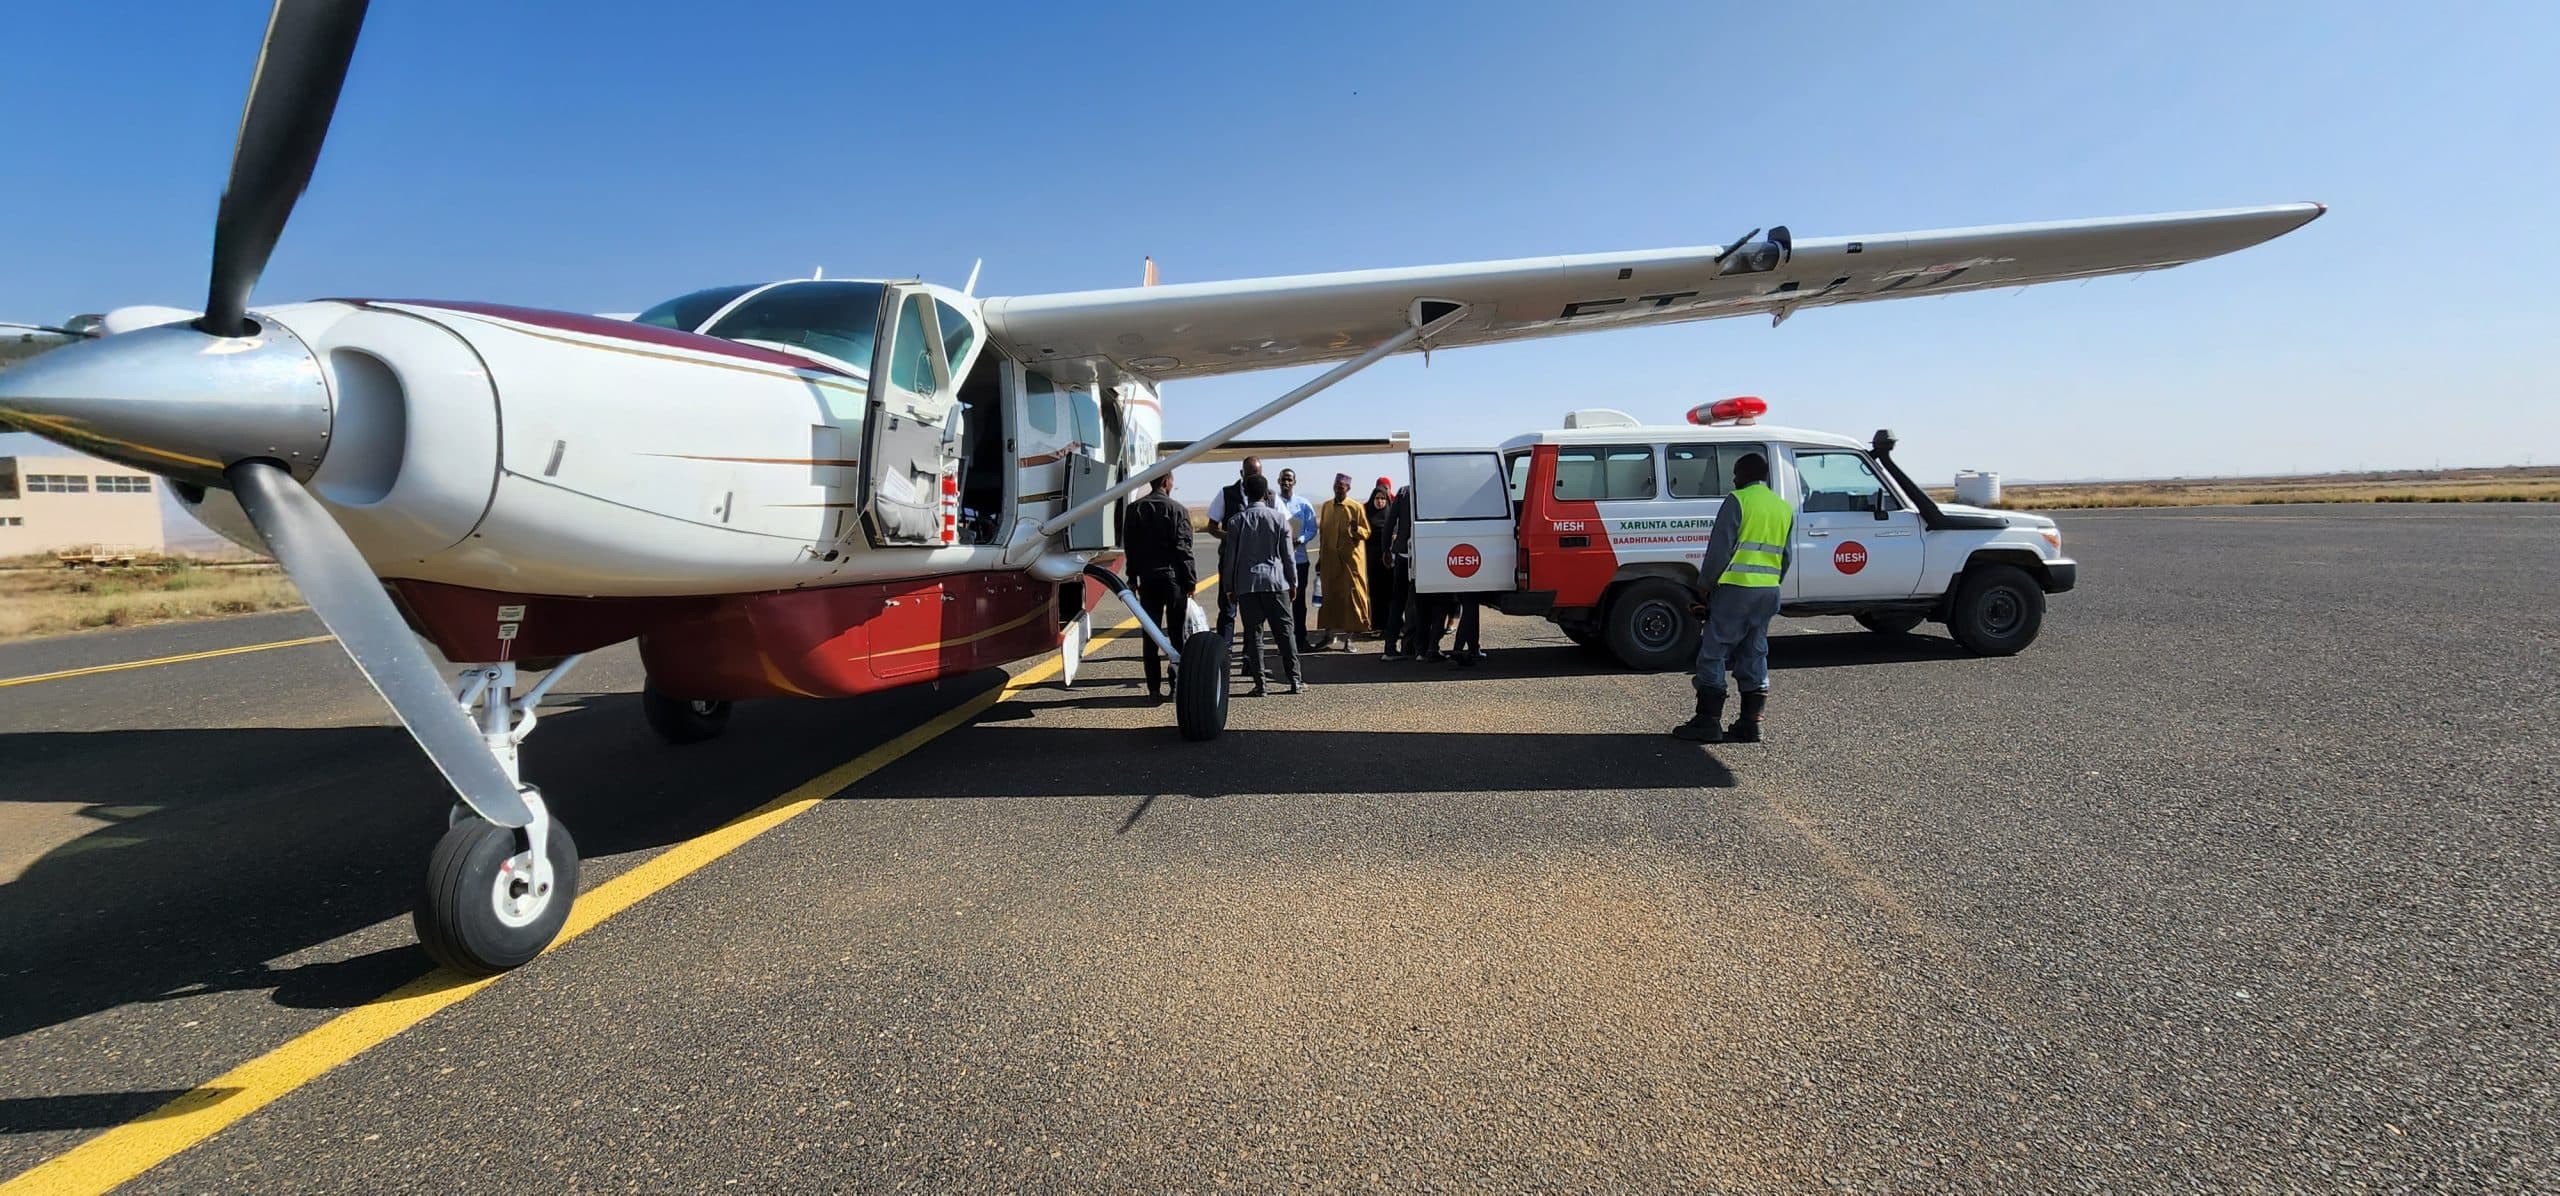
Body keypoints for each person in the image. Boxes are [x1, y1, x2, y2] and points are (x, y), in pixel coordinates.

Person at [1675, 451, 1794, 743]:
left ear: (1745, 474)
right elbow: (1786, 557)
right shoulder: (1783, 507)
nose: (1733, 478)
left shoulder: (1737, 501)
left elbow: (1719, 551)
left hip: (1735, 590)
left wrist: (1704, 586)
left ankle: (1708, 721)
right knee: (1755, 651)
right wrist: (1770, 583)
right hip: (1768, 591)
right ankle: (1751, 723)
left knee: (1714, 651)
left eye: (1736, 472)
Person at [1218, 473, 1304, 695]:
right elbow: (1287, 556)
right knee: (1285, 632)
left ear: (1246, 493)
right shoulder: (1279, 520)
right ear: (1267, 494)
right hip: (1276, 583)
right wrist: (1293, 582)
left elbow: (1230, 559)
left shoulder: (1236, 522)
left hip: (1248, 586)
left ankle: (1261, 684)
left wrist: (1229, 587)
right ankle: (1294, 680)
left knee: (1253, 635)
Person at [1121, 473, 1196, 702]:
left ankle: (1153, 689)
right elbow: (1184, 549)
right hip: (1173, 581)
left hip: (1148, 581)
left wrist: (1132, 578)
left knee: (1150, 635)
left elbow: (1130, 549)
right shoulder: (1178, 510)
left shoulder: (1134, 509)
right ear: (1166, 482)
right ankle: (1177, 686)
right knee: (1176, 635)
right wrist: (1190, 580)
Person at [1204, 456, 1264, 637]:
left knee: (1253, 615)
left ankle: (1251, 659)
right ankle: (1224, 656)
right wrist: (1232, 538)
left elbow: (1282, 525)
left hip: (1256, 565)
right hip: (1231, 562)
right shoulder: (1226, 493)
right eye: (1250, 475)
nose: (1254, 479)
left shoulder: (1268, 494)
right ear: (1241, 474)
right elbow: (1212, 527)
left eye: (1257, 475)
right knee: (1228, 610)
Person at [1313, 472, 1372, 648]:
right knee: (1330, 597)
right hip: (1330, 560)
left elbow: (1366, 532)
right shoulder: (1326, 507)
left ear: (1348, 488)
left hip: (1350, 562)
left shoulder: (1356, 507)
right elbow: (1323, 533)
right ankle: (1329, 635)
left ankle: (1349, 639)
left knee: (1351, 599)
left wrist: (1355, 530)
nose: (1338, 490)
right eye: (1336, 486)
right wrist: (1321, 558)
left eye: (1342, 487)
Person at [1276, 468, 1319, 651]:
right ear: (1278, 481)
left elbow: (1312, 528)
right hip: (1278, 562)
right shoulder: (1272, 503)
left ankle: (1301, 640)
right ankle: (1284, 643)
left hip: (1299, 560)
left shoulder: (1303, 504)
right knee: (1280, 604)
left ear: (1294, 482)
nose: (1286, 483)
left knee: (1299, 602)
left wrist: (1300, 539)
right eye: (1283, 479)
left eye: (1289, 480)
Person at [1363, 477, 1403, 648]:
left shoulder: (1392, 514)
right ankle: (1378, 625)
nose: (1379, 501)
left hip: (1389, 559)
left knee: (1391, 592)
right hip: (1372, 559)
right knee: (1376, 593)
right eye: (1376, 498)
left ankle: (1394, 625)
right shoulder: (1366, 514)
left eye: (1382, 498)